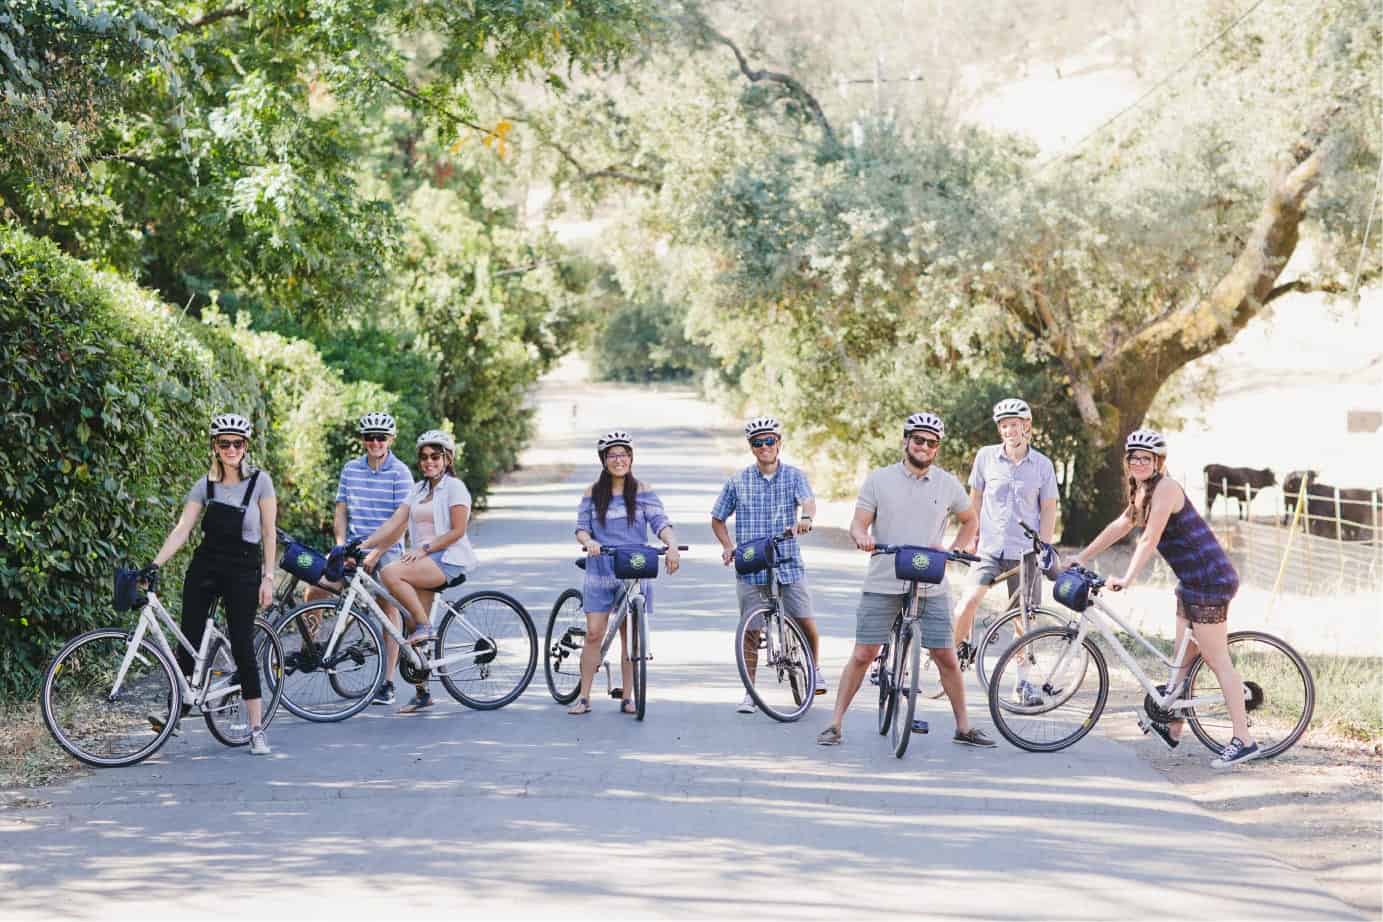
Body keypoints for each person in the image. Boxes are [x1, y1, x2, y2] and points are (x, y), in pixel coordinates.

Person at [1069, 428, 1259, 768]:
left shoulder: (1167, 488)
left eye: (1147, 458)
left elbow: (1150, 538)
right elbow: (1120, 526)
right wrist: (1081, 557)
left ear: (1159, 462)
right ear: (1127, 462)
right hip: (1190, 581)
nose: (1140, 462)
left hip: (1210, 580)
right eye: (1134, 458)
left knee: (1217, 661)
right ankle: (1173, 726)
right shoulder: (1141, 490)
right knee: (1181, 661)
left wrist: (1127, 578)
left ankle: (1244, 739)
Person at [817, 411, 993, 748]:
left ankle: (964, 727)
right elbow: (858, 523)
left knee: (945, 655)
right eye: (918, 440)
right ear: (905, 441)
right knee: (864, 653)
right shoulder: (879, 480)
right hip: (884, 577)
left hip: (931, 580)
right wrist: (862, 537)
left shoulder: (947, 483)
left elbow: (970, 520)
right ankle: (835, 723)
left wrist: (955, 548)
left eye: (932, 442)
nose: (925, 446)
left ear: (937, 448)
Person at [146, 413, 278, 755]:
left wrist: (268, 577)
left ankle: (255, 728)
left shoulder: (260, 482)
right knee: (188, 635)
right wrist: (154, 564)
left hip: (244, 568)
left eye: (237, 443)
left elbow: (268, 533)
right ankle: (177, 710)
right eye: (224, 443)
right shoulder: (204, 485)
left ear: (245, 447)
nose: (231, 449)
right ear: (215, 447)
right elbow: (182, 530)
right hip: (206, 564)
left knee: (242, 645)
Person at [358, 429, 479, 714]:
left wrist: (424, 548)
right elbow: (394, 524)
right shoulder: (419, 489)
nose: (429, 462)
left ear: (447, 459)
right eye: (424, 457)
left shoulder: (454, 488)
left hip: (448, 558)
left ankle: (427, 627)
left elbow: (458, 530)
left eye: (435, 456)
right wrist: (363, 544)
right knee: (412, 623)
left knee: (390, 573)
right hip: (426, 559)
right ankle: (422, 693)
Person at [710, 415, 824, 714]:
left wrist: (806, 519)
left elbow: (808, 502)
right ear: (751, 448)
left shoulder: (794, 476)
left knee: (805, 619)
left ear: (779, 443)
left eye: (769, 441)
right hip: (751, 563)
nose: (764, 447)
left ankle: (814, 669)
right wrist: (727, 546)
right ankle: (750, 692)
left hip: (787, 560)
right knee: (751, 630)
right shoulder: (738, 481)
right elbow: (717, 518)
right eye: (758, 443)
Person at [950, 397, 1058, 705]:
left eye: (1015, 425)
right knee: (966, 604)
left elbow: (1048, 508)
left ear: (1027, 427)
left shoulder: (1042, 465)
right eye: (1004, 426)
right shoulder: (985, 457)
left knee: (1023, 617)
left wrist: (1044, 547)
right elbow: (975, 500)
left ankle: (1022, 682)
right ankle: (953, 660)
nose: (1009, 430)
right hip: (989, 548)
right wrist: (971, 535)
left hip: (1025, 551)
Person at [304, 412, 414, 705]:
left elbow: (400, 522)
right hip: (354, 546)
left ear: (391, 439)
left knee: (387, 610)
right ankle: (313, 647)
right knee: (314, 588)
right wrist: (341, 546)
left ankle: (388, 682)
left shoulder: (400, 472)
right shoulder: (351, 469)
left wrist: (376, 553)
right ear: (362, 440)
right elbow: (341, 510)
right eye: (369, 437)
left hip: (387, 549)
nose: (375, 442)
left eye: (381, 437)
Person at [568, 430, 681, 716]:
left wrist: (672, 545)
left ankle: (628, 697)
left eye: (624, 454)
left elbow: (660, 522)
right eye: (613, 455)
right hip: (601, 568)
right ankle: (584, 697)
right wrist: (589, 542)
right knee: (594, 633)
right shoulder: (592, 493)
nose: (619, 460)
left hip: (634, 568)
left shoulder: (643, 490)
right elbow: (581, 528)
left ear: (631, 458)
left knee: (630, 637)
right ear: (604, 460)